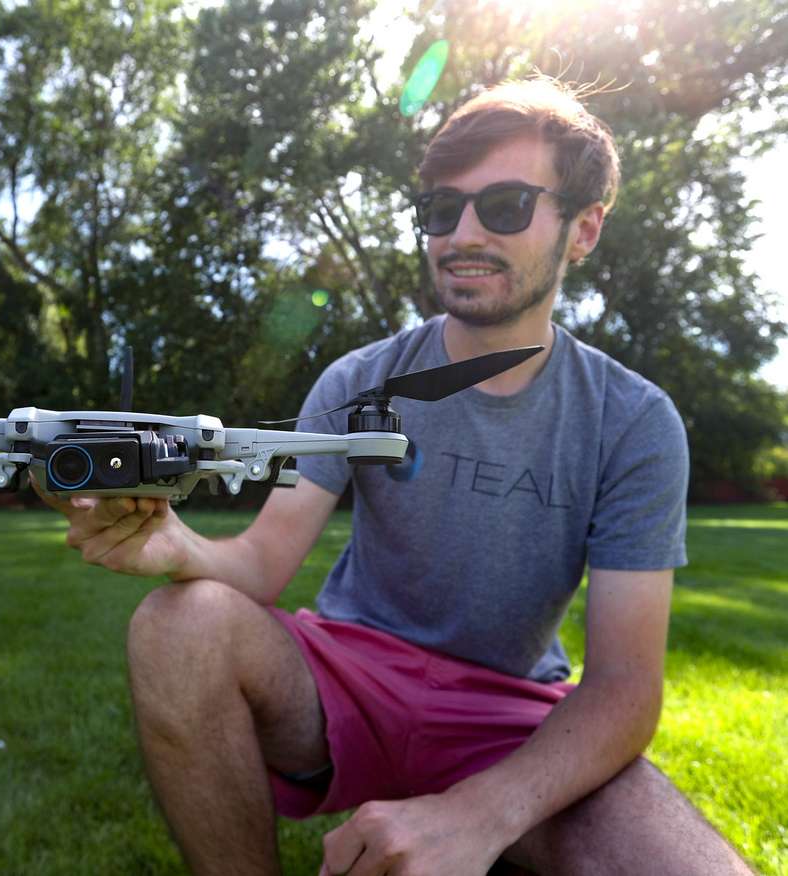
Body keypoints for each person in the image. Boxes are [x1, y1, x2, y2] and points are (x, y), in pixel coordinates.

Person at [38, 76, 755, 876]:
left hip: (510, 715)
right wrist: (174, 546)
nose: (462, 235)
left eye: (506, 206)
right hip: (346, 677)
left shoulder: (633, 420)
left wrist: (479, 816)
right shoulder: (358, 380)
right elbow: (263, 564)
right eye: (441, 212)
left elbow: (624, 687)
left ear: (584, 229)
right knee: (177, 624)